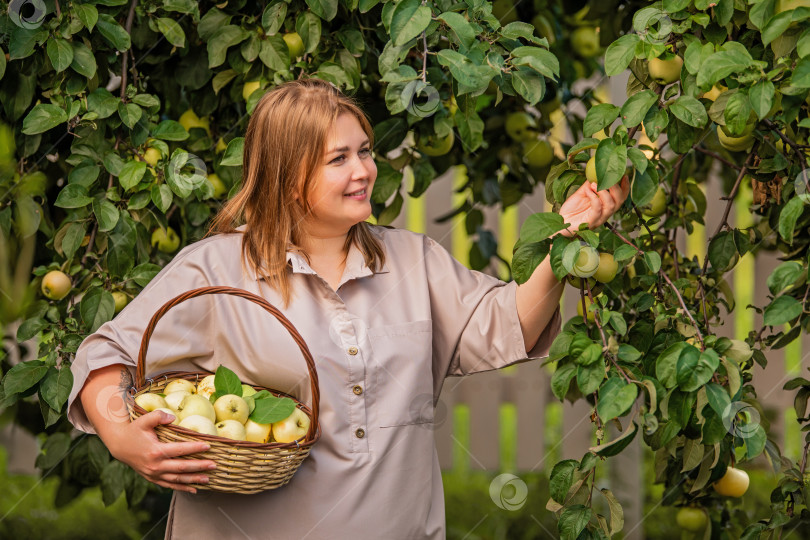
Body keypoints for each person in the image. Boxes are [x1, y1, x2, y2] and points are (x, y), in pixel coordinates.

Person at [67, 78, 630, 539]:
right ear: (289, 177)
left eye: (364, 151)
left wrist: (563, 241)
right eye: (339, 158)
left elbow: (509, 323)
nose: (363, 170)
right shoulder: (216, 269)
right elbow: (105, 354)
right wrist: (121, 437)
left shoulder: (412, 261)